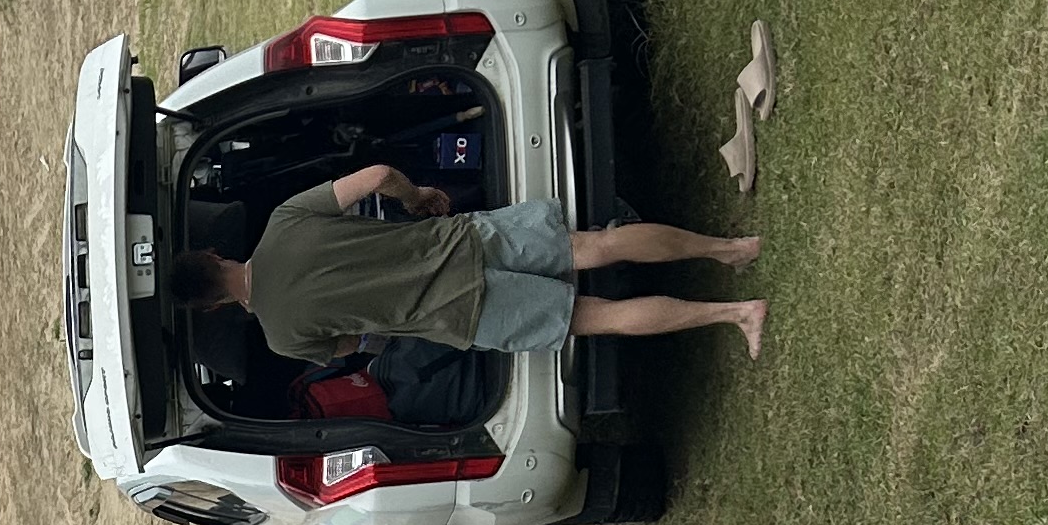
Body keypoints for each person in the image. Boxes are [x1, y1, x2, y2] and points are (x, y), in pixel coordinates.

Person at [183, 164, 762, 361]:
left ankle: (737, 314)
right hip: (464, 240)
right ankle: (731, 249)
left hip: (464, 314)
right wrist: (416, 200)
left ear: (212, 305)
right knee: (598, 245)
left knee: (599, 317)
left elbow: (353, 343)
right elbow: (379, 177)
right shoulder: (286, 219)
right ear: (215, 252)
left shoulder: (283, 339)